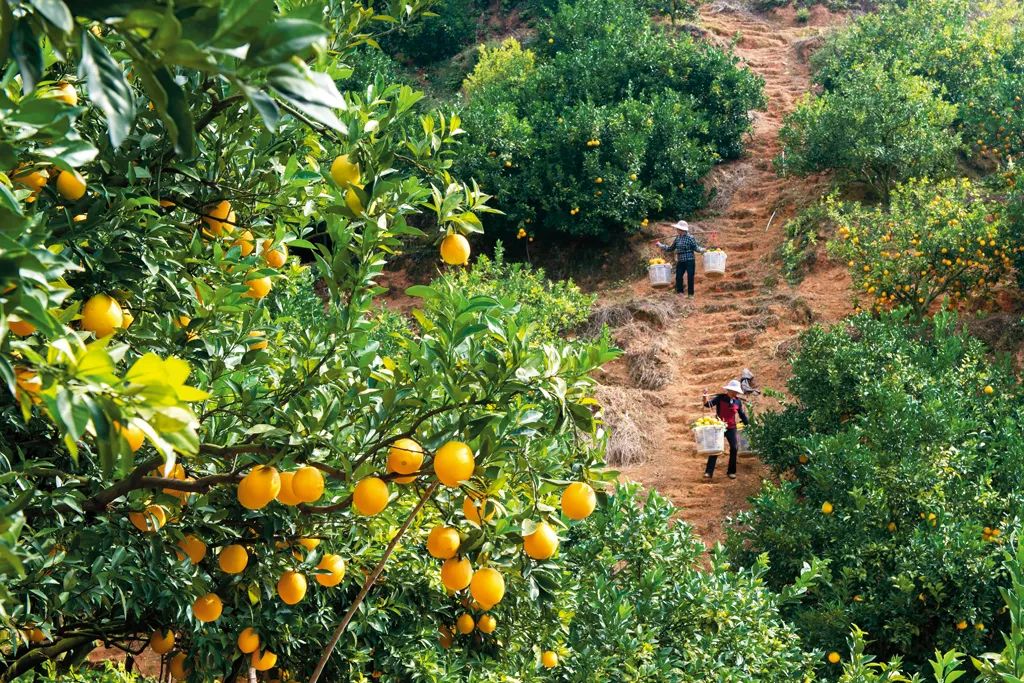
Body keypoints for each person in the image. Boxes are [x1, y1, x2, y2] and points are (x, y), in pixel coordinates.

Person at [702, 380, 749, 480]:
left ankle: (731, 472)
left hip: (732, 428)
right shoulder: (720, 398)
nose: (735, 393)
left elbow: (742, 415)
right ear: (729, 390)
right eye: (734, 391)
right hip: (720, 427)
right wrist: (704, 396)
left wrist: (749, 425)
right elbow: (707, 405)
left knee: (734, 447)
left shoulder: (738, 401)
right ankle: (708, 472)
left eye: (736, 392)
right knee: (715, 448)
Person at [656, 220, 704, 298]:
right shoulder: (677, 238)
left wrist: (702, 250)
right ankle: (680, 293)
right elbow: (670, 248)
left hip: (690, 260)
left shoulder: (690, 238)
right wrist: (660, 245)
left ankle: (691, 294)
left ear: (682, 230)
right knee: (678, 276)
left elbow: (696, 248)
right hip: (680, 260)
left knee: (690, 276)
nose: (677, 230)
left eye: (678, 229)